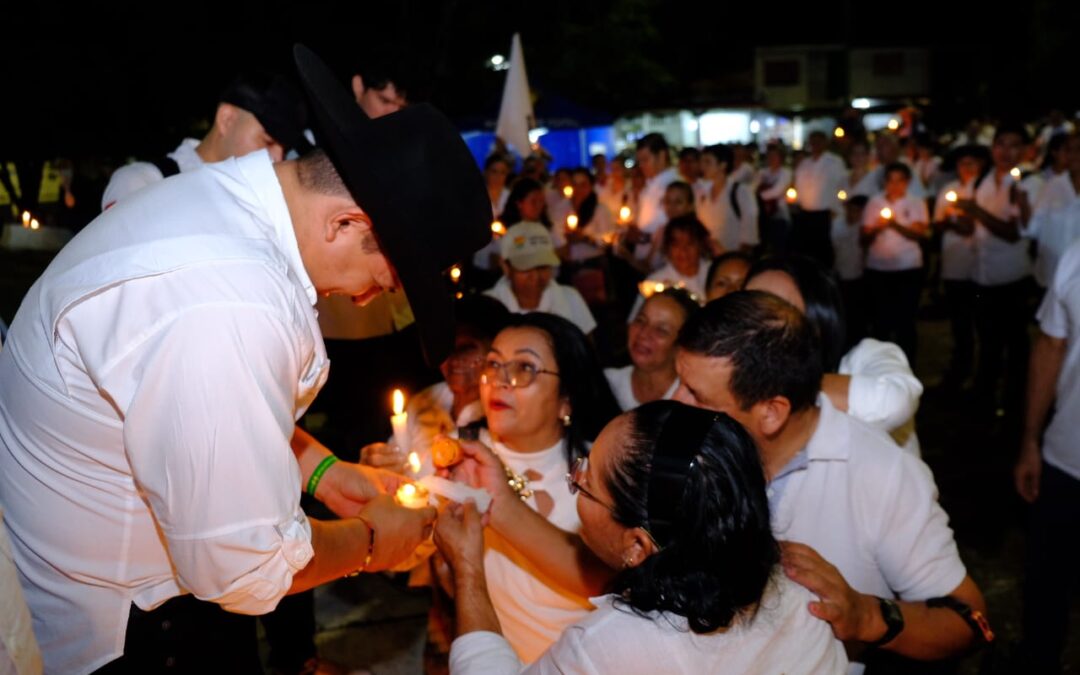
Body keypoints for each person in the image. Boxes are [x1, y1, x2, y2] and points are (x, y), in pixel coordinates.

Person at [0, 45, 492, 673]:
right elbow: (243, 568)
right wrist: (373, 540)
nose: (368, 297)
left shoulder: (218, 200)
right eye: (385, 278)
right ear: (345, 223)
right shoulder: (235, 301)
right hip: (115, 623)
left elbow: (198, 408)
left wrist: (324, 473)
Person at [674, 291, 990, 672]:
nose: (675, 402)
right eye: (680, 383)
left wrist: (865, 615)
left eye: (696, 395)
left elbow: (969, 622)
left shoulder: (881, 474)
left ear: (772, 412)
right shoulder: (683, 446)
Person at [435, 401, 848, 674]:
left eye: (585, 483)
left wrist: (468, 566)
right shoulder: (797, 593)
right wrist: (501, 504)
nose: (575, 481)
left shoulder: (608, 646)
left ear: (637, 545)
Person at [440, 313, 621, 662]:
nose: (500, 381)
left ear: (566, 398)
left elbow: (613, 581)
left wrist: (505, 509)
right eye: (494, 364)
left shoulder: (602, 473)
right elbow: (409, 553)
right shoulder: (459, 454)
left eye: (525, 368)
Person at [744, 255, 923, 455]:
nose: (755, 323)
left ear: (817, 320)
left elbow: (893, 403)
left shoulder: (866, 356)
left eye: (774, 311)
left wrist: (774, 384)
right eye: (746, 308)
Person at [101, 71, 309, 210]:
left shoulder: (266, 205)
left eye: (285, 149)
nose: (277, 158)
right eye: (268, 142)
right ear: (226, 119)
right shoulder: (142, 182)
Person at [1014, 239, 1080, 674]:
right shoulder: (1076, 255)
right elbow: (1051, 346)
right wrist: (1030, 440)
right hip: (1066, 456)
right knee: (1045, 587)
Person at [359, 295, 511, 476]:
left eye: (466, 349)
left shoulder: (503, 413)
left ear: (493, 354)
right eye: (444, 349)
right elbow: (395, 461)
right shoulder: (423, 401)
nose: (453, 359)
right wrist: (376, 467)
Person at [954, 123, 1033, 416]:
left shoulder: (1027, 183)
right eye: (1001, 144)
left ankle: (1015, 405)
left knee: (1015, 346)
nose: (1006, 151)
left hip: (1011, 277)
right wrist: (960, 220)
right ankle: (984, 398)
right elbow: (974, 229)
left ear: (1024, 151)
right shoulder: (983, 181)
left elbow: (1014, 233)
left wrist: (977, 212)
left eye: (1014, 145)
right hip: (982, 275)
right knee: (987, 341)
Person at [860, 162, 929, 364]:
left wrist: (894, 224)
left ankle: (907, 364)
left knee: (905, 321)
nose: (895, 185)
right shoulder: (875, 202)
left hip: (908, 269)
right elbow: (864, 237)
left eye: (900, 180)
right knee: (880, 321)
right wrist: (877, 228)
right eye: (890, 180)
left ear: (907, 182)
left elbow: (919, 233)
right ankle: (882, 365)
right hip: (879, 269)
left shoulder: (916, 202)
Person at [932, 146, 985, 390]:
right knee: (959, 321)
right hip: (953, 263)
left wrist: (961, 220)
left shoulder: (982, 190)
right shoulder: (949, 190)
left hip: (977, 265)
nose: (967, 169)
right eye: (962, 164)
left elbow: (974, 225)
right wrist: (950, 220)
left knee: (979, 321)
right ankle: (960, 366)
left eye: (971, 163)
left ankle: (979, 371)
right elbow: (938, 222)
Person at [485, 222, 597, 336]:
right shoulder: (487, 307)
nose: (535, 276)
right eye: (526, 267)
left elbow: (586, 344)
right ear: (506, 267)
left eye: (542, 267)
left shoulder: (570, 298)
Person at [605, 288, 698, 411]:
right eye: (640, 320)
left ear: (680, 346)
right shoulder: (605, 383)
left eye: (661, 330)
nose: (643, 334)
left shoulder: (692, 401)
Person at [628, 215, 711, 319]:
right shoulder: (655, 282)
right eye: (676, 244)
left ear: (700, 245)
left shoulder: (713, 272)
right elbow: (635, 319)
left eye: (689, 243)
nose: (683, 250)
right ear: (667, 248)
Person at [792, 130, 847, 268]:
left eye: (818, 141)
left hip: (825, 214)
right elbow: (798, 185)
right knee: (807, 253)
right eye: (813, 142)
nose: (815, 145)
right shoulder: (805, 163)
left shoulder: (834, 162)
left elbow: (843, 185)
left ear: (825, 143)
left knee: (824, 253)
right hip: (806, 214)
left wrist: (837, 208)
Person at [695, 144, 758, 255]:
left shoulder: (741, 192)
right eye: (702, 162)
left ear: (723, 165)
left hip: (734, 257)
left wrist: (738, 259)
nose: (702, 167)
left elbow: (750, 233)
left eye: (708, 162)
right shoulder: (702, 194)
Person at [626, 133, 679, 265]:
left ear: (661, 156)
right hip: (642, 260)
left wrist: (646, 237)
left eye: (645, 160)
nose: (641, 165)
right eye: (639, 161)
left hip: (664, 263)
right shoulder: (648, 187)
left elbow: (676, 230)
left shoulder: (674, 187)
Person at [831, 194, 868, 346]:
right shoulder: (837, 223)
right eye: (850, 209)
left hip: (859, 276)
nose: (852, 213)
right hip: (840, 273)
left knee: (857, 314)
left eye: (857, 211)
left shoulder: (865, 227)